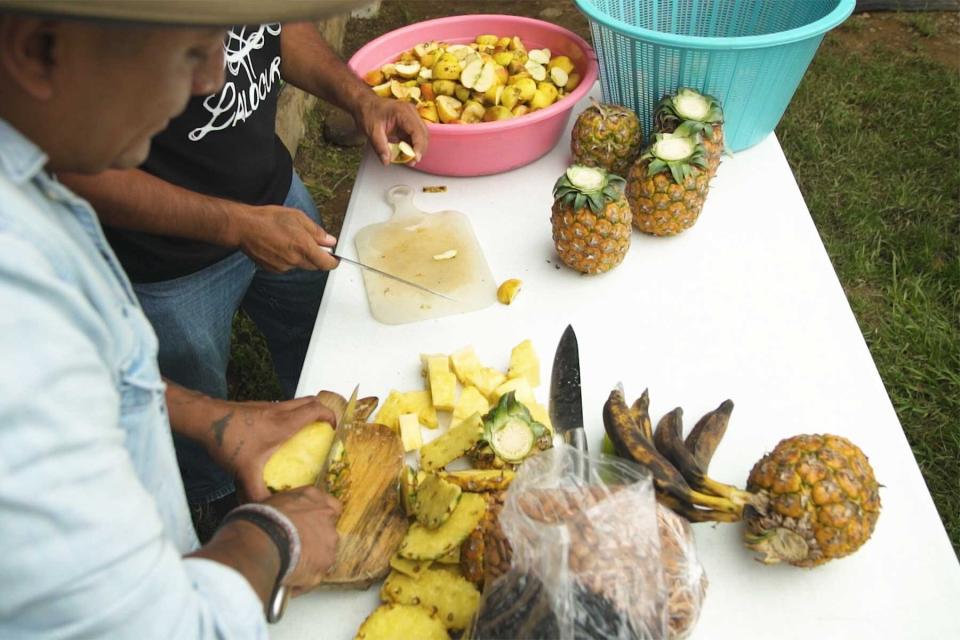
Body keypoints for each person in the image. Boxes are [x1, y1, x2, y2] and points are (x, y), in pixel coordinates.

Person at [0, 1, 370, 636]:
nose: (216, 80)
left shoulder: (32, 176)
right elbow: (149, 624)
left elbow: (100, 369)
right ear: (39, 52)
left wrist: (207, 417)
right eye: (192, 49)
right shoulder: (21, 301)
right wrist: (269, 537)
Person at [61, 14, 428, 538]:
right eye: (193, 53)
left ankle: (328, 449)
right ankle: (214, 506)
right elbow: (79, 172)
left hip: (276, 195)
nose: (215, 77)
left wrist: (361, 98)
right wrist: (235, 224)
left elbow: (274, 29)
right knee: (197, 424)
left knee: (319, 342)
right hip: (165, 265)